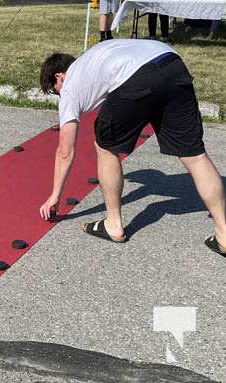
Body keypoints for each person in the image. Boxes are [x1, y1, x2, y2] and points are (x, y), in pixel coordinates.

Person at [38, 39, 226, 258]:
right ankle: (224, 233)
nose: (60, 95)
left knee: (105, 146)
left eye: (55, 91)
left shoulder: (70, 85)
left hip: (137, 76)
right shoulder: (95, 57)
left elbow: (65, 150)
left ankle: (113, 225)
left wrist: (55, 195)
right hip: (173, 64)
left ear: (59, 76)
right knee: (194, 154)